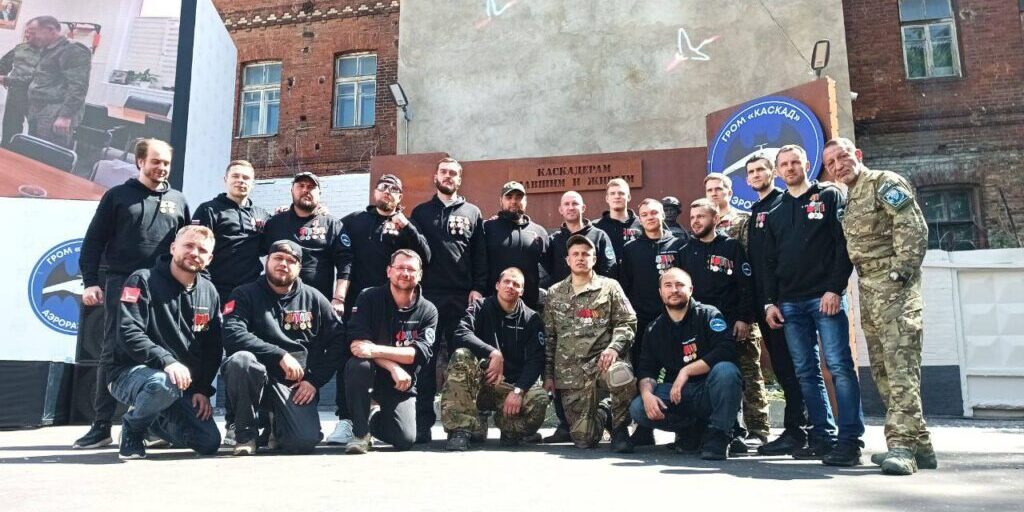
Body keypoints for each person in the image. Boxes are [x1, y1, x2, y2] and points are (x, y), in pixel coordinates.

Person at [825, 137, 937, 475]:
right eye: (831, 163)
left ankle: (901, 447)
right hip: (868, 289)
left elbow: (912, 226)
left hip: (894, 287)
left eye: (843, 157)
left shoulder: (883, 182)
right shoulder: (849, 198)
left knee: (901, 368)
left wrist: (900, 273)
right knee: (884, 371)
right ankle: (921, 446)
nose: (838, 165)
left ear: (857, 155)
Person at [75, 138, 190, 450]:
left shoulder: (178, 200)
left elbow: (186, 246)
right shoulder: (117, 196)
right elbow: (93, 241)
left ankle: (152, 425)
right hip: (122, 284)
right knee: (113, 351)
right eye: (156, 161)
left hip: (163, 288)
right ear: (140, 161)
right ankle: (101, 426)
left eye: (166, 163)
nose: (162, 167)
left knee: (162, 350)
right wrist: (90, 282)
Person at [763, 144, 865, 466]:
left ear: (807, 165)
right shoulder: (775, 210)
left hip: (825, 299)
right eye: (784, 164)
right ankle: (822, 438)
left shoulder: (830, 196)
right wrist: (770, 303)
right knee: (806, 373)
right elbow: (769, 262)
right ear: (778, 171)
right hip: (789, 304)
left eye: (795, 162)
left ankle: (850, 441)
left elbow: (842, 246)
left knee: (839, 367)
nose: (790, 168)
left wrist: (835, 288)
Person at [328, 173, 431, 444]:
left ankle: (383, 414)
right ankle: (347, 419)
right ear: (375, 193)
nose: (388, 191)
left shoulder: (406, 226)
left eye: (394, 189)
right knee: (352, 359)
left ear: (400, 197)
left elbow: (426, 257)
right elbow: (338, 253)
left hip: (396, 306)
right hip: (360, 305)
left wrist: (406, 227)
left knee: (387, 354)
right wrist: (339, 297)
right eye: (383, 187)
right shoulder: (353, 221)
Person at [105, 226, 222, 460]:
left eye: (202, 250)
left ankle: (152, 422)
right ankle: (133, 429)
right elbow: (129, 332)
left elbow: (212, 348)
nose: (194, 253)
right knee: (161, 382)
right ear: (173, 248)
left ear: (209, 259)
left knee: (208, 442)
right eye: (188, 246)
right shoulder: (142, 280)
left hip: (179, 385)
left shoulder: (209, 291)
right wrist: (167, 361)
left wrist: (201, 389)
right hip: (129, 374)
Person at [221, 240, 345, 455]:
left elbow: (339, 340)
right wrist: (279, 354)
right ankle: (245, 434)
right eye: (278, 258)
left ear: (299, 267)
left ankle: (275, 425)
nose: (283, 264)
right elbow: (232, 333)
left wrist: (314, 381)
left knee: (302, 442)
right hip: (255, 377)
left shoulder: (314, 298)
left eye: (291, 261)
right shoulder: (244, 294)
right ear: (267, 261)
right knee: (241, 361)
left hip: (294, 385)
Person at [260, 172, 354, 444]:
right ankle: (266, 422)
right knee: (271, 357)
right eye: (301, 186)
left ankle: (315, 416)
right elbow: (257, 254)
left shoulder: (331, 223)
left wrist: (338, 299)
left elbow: (345, 263)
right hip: (276, 304)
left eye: (312, 187)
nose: (306, 190)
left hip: (316, 307)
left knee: (313, 360)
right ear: (292, 190)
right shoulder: (275, 222)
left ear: (319, 194)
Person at [191, 160, 270, 444]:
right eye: (236, 176)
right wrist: (206, 291)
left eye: (246, 177)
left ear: (253, 182)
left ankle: (237, 422)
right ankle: (191, 417)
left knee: (243, 357)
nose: (241, 181)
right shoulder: (208, 210)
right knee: (207, 352)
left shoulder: (261, 215)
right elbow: (198, 251)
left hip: (248, 298)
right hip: (214, 294)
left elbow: (276, 241)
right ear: (225, 179)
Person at [410, 158, 488, 443]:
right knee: (425, 361)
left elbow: (480, 254)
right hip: (428, 299)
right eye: (444, 172)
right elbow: (414, 253)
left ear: (460, 179)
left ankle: (460, 426)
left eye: (453, 173)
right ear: (436, 177)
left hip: (461, 298)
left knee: (461, 360)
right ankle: (421, 425)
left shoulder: (472, 212)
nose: (448, 176)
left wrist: (478, 288)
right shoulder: (421, 212)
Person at [629, 268, 742, 460]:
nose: (674, 290)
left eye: (680, 285)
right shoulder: (654, 329)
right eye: (668, 285)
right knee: (638, 408)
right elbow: (647, 369)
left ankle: (720, 434)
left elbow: (726, 350)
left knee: (726, 371)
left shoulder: (708, 315)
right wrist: (647, 395)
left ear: (690, 289)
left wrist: (686, 371)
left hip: (709, 390)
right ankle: (691, 430)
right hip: (679, 395)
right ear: (660, 292)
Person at [743, 154, 810, 456]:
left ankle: (800, 431)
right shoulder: (756, 209)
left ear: (774, 173)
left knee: (794, 367)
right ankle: (797, 429)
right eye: (751, 171)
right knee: (783, 367)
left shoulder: (782, 204)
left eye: (761, 169)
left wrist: (776, 300)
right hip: (764, 304)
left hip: (784, 303)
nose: (757, 174)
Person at [544, 235, 637, 452]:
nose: (580, 258)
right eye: (575, 254)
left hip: (603, 364)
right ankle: (605, 412)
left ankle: (620, 429)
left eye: (586, 254)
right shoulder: (554, 293)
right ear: (567, 260)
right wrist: (548, 375)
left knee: (621, 374)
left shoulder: (610, 287)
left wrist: (614, 348)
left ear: (594, 259)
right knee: (584, 440)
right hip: (572, 374)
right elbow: (550, 337)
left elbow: (627, 321)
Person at [678, 198, 757, 453]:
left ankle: (733, 431)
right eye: (692, 217)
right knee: (698, 377)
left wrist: (744, 318)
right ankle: (696, 430)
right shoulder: (685, 251)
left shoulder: (731, 247)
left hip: (728, 325)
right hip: (695, 328)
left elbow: (746, 285)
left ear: (715, 219)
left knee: (729, 375)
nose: (695, 221)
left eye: (701, 216)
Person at [440, 267, 549, 450]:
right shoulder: (480, 307)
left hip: (508, 387)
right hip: (479, 382)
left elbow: (536, 360)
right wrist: (493, 353)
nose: (510, 286)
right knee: (461, 356)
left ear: (522, 291)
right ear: (497, 285)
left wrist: (519, 391)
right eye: (506, 282)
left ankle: (509, 428)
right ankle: (461, 430)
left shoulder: (532, 318)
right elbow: (461, 333)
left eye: (516, 284)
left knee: (539, 398)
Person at [343, 249, 438, 453]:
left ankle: (373, 418)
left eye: (411, 269)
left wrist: (374, 349)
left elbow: (416, 354)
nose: (405, 273)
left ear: (420, 274)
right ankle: (360, 433)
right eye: (400, 267)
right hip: (374, 372)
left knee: (405, 439)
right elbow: (358, 346)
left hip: (401, 383)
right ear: (389, 271)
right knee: (358, 366)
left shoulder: (428, 310)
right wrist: (393, 366)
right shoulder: (368, 297)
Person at [703, 173, 771, 446]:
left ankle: (758, 429)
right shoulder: (703, 221)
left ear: (730, 192)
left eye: (719, 189)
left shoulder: (743, 220)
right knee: (722, 371)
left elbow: (749, 268)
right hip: (715, 314)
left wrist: (746, 315)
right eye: (709, 190)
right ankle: (731, 428)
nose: (714, 193)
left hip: (741, 309)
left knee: (749, 370)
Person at [24, 16, 91, 148]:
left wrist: (65, 116)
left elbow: (78, 87)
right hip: (38, 110)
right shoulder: (46, 49)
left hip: (55, 113)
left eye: (34, 33)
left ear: (51, 30)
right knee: (33, 151)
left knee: (48, 153)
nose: (30, 37)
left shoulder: (73, 50)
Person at [482, 181, 549, 310]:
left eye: (518, 197)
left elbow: (551, 267)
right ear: (501, 200)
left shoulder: (539, 232)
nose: (513, 201)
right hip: (491, 306)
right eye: (509, 197)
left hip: (528, 307)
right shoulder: (487, 228)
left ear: (526, 201)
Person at [544, 190, 616, 283]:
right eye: (566, 204)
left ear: (583, 208)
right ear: (561, 210)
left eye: (575, 203)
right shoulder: (553, 241)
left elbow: (609, 271)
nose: (571, 208)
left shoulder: (599, 236)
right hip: (562, 292)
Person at [0, 25, 41, 146]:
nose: (27, 35)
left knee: (36, 131)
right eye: (26, 32)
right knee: (10, 127)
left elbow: (35, 78)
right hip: (16, 94)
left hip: (36, 97)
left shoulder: (49, 53)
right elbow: (3, 63)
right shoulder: (20, 48)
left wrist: (7, 80)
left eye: (31, 32)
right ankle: (7, 149)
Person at [594, 178, 643, 266]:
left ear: (629, 197)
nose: (617, 196)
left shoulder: (642, 224)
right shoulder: (596, 227)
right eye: (612, 193)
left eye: (621, 193)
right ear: (607, 198)